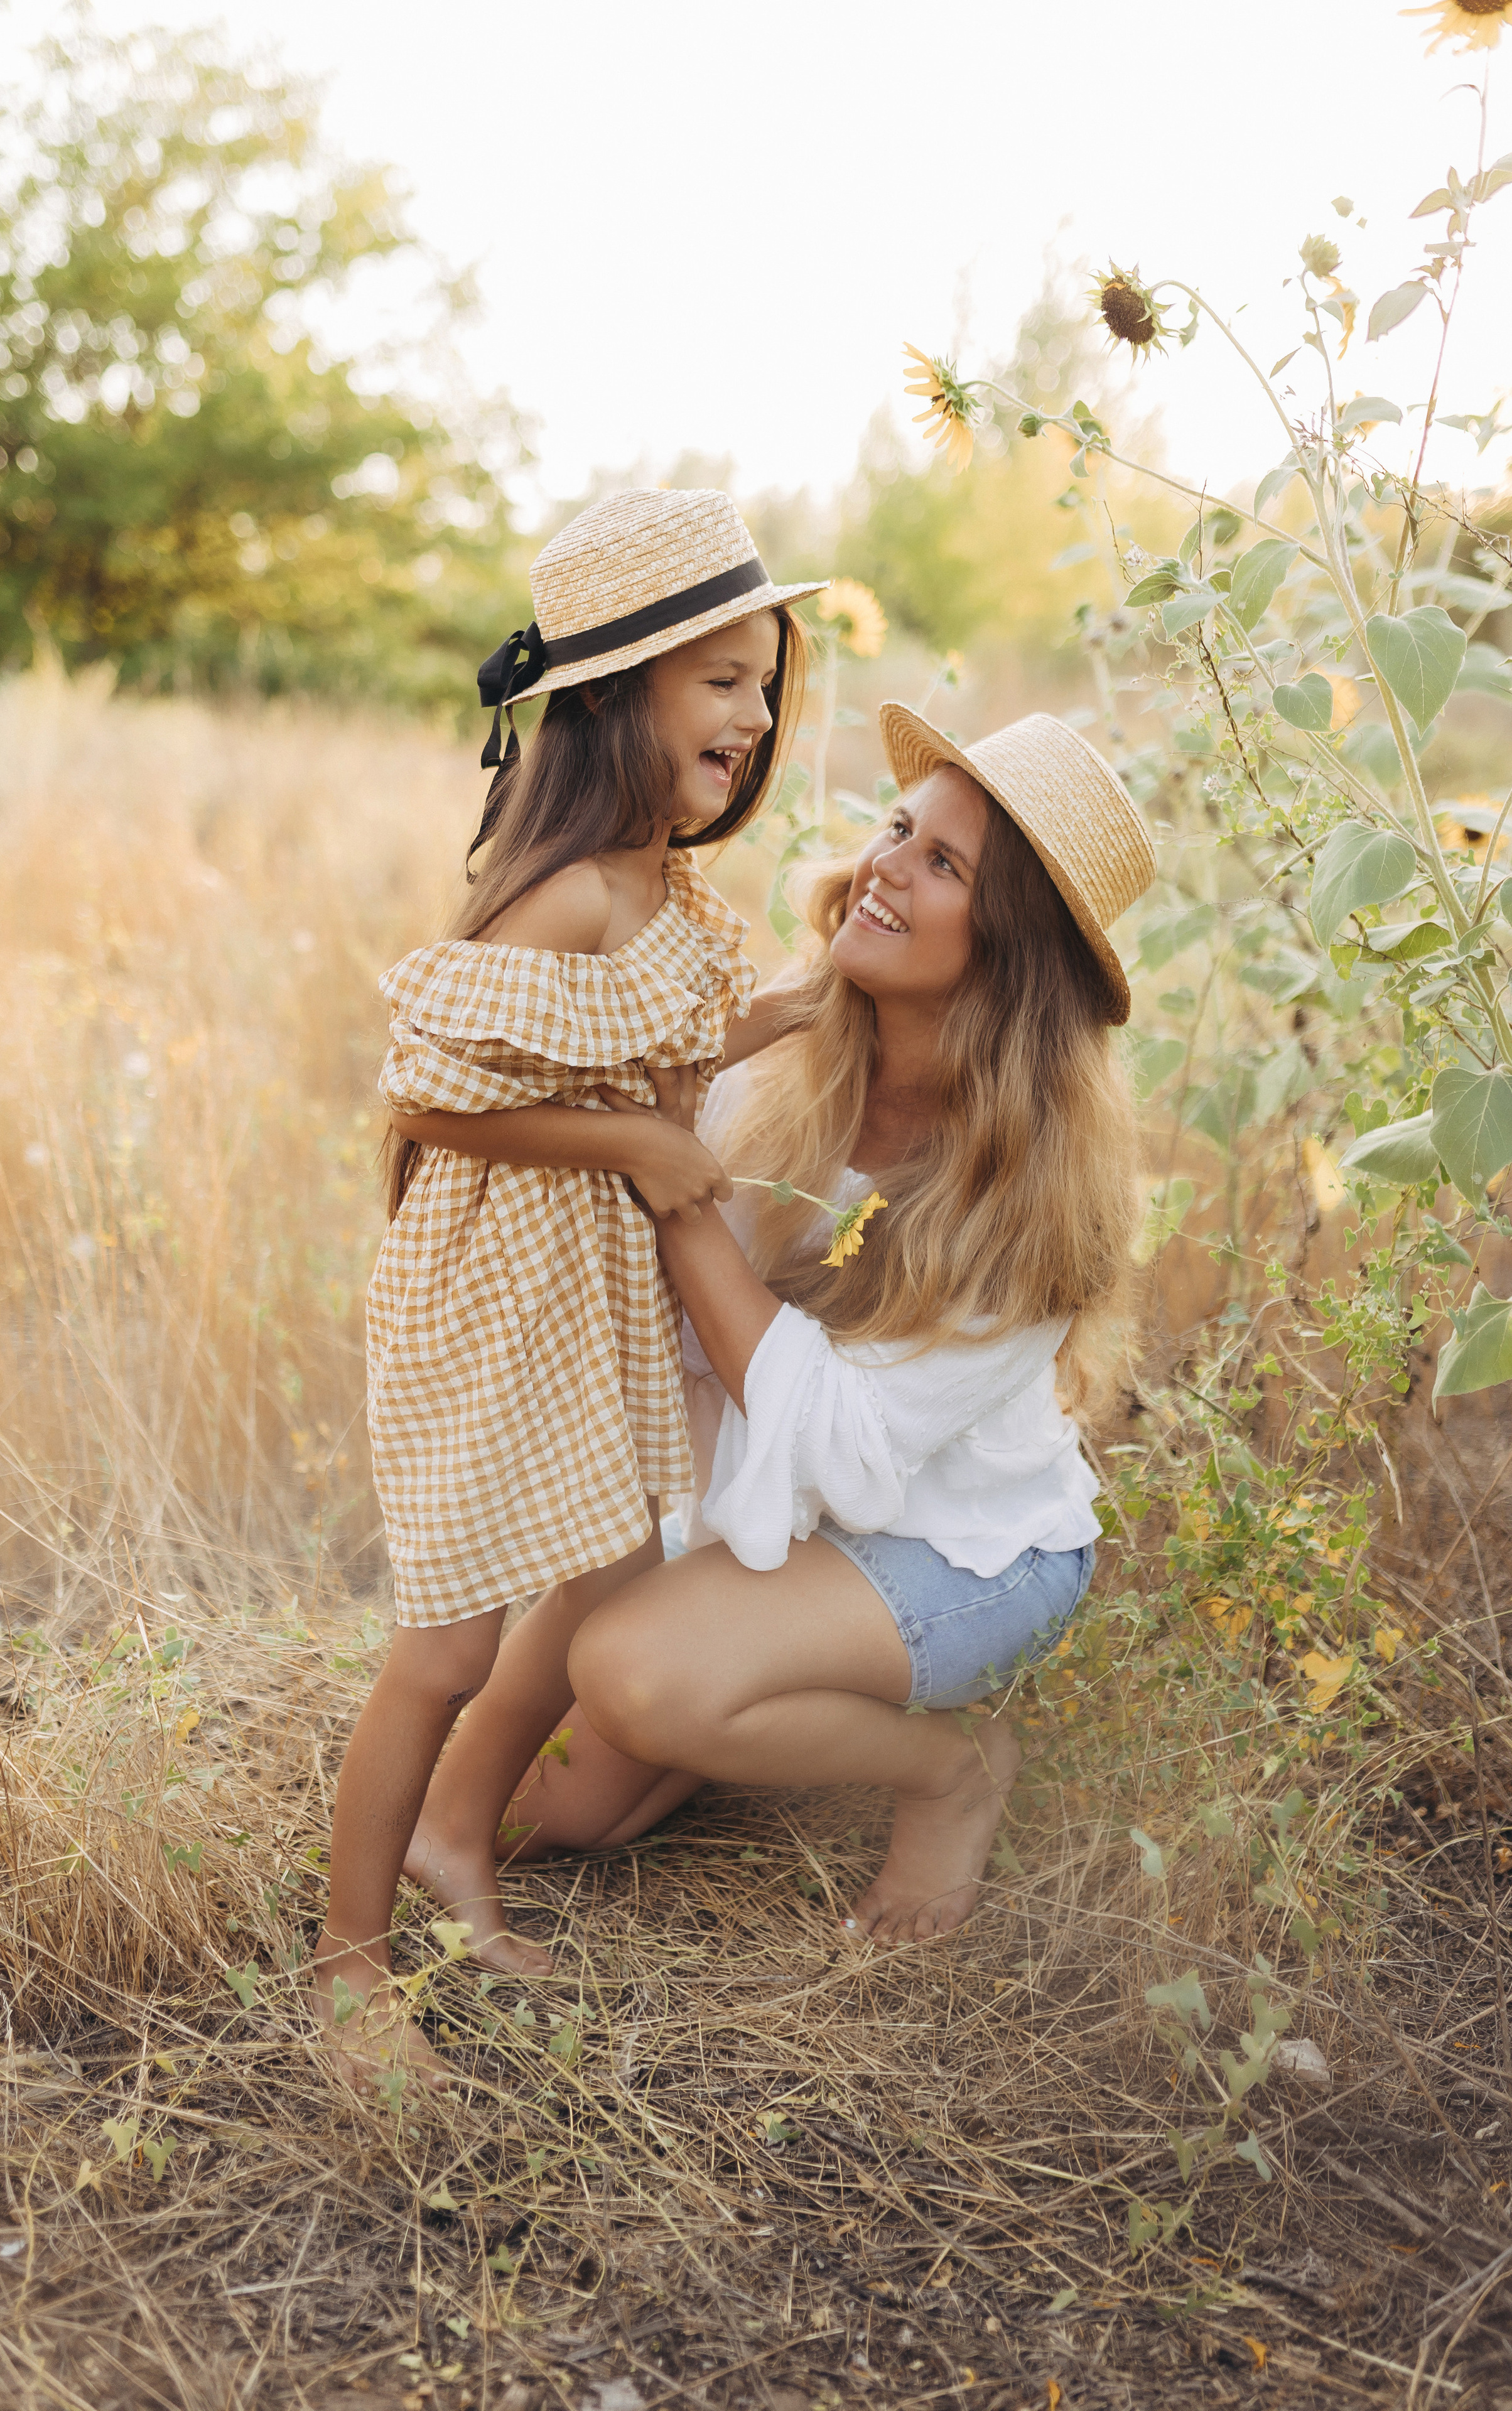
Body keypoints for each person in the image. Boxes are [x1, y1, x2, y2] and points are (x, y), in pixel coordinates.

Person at [466, 703, 1157, 1946]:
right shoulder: (781, 1071)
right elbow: (664, 1321)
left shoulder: (1031, 1199)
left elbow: (844, 1451)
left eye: (941, 865)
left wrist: (678, 1197)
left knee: (634, 1669)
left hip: (950, 1547)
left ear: (1009, 952)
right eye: (899, 829)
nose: (883, 865)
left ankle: (946, 1770)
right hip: (788, 1509)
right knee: (544, 1816)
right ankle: (736, 1692)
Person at [314, 488, 824, 2083]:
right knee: (448, 1646)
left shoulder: (658, 887)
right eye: (719, 682)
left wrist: (796, 1009)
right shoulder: (576, 892)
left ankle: (454, 1844)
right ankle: (346, 1968)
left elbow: (654, 1036)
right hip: (489, 1303)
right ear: (615, 699)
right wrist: (634, 1157)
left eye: (761, 682)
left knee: (599, 1561)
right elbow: (421, 1090)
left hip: (572, 1300)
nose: (752, 716)